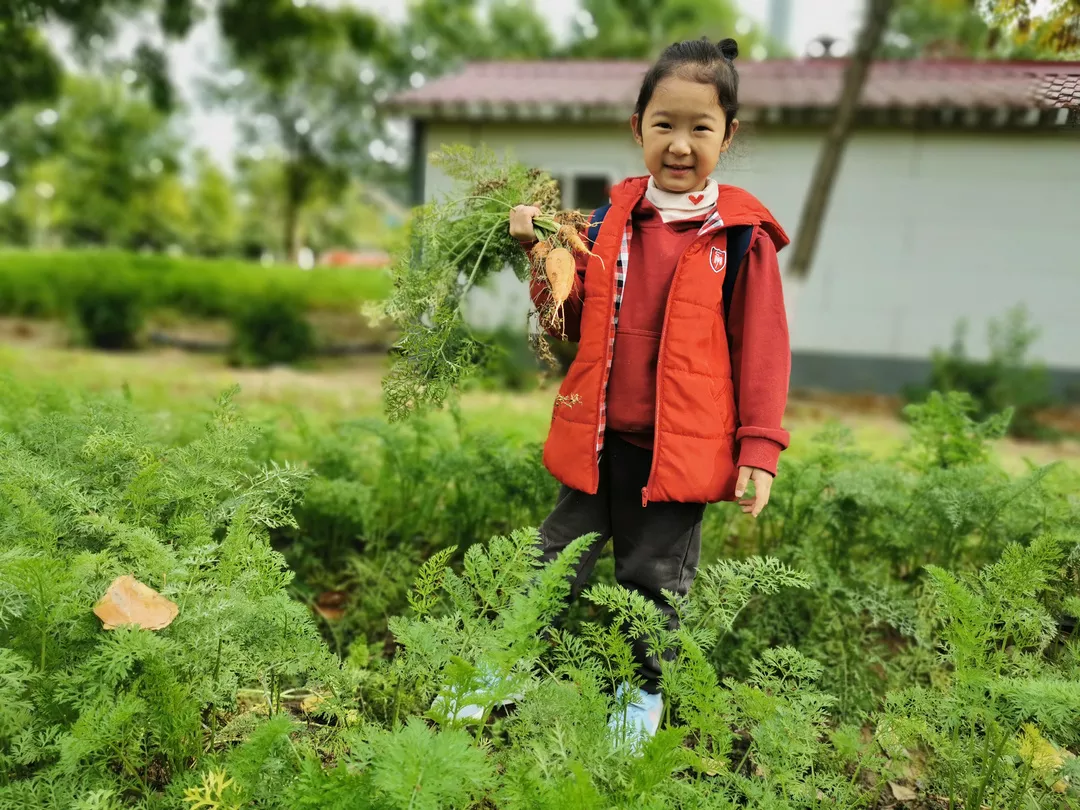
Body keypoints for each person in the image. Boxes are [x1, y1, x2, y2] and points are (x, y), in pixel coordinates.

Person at [449, 36, 792, 749]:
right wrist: (538, 254)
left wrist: (759, 445)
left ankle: (638, 701)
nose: (680, 142)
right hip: (599, 441)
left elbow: (763, 349)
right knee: (550, 563)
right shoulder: (607, 223)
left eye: (701, 126)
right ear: (637, 127)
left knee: (650, 584)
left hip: (676, 459)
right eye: (664, 123)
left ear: (728, 135)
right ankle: (499, 674)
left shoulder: (739, 238)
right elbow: (569, 322)